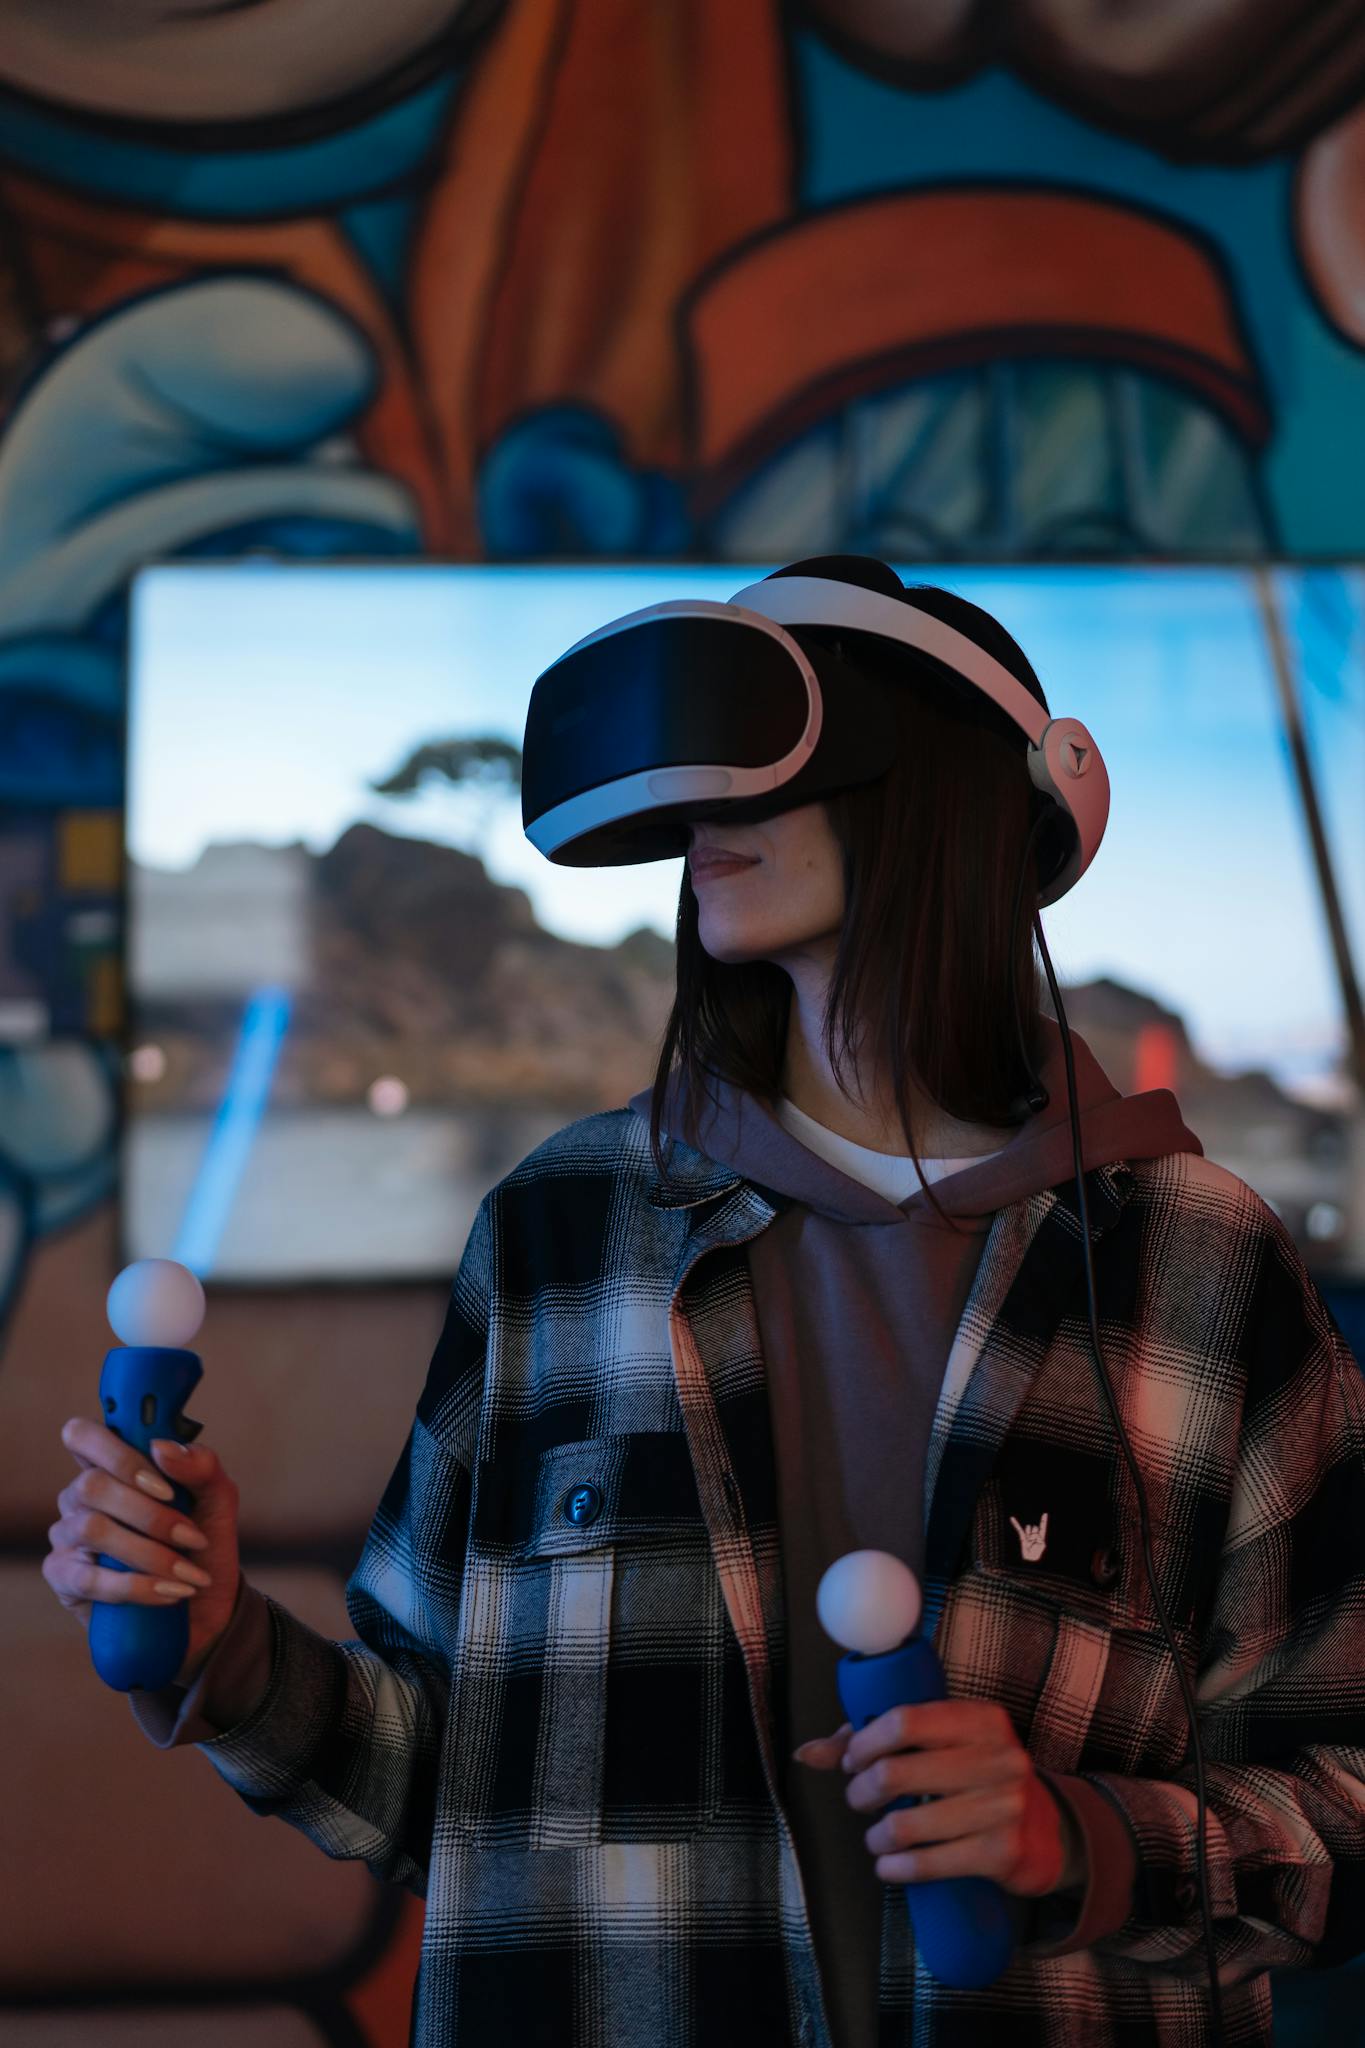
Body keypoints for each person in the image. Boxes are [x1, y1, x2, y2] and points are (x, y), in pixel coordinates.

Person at [44, 560, 1365, 2047]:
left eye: (765, 751)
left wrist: (1083, 1842)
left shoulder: (1201, 1264)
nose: (703, 814)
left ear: (942, 784)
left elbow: (1346, 1805)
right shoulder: (556, 1232)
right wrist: (222, 1645)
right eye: (690, 770)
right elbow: (443, 1791)